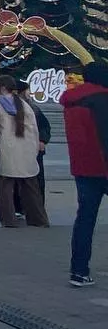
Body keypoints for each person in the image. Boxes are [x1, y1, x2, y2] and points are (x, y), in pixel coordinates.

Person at [0, 75, 49, 228]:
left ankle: (8, 220)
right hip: (27, 151)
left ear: (1, 87)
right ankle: (38, 219)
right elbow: (34, 130)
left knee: (5, 188)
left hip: (5, 151)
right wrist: (34, 150)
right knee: (31, 188)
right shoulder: (25, 105)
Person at [61, 61, 108, 287]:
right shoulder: (102, 99)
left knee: (85, 219)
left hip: (83, 168)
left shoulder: (71, 102)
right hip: (103, 165)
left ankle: (78, 271)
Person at [12, 78, 52, 216]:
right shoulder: (8, 108)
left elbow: (45, 126)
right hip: (16, 148)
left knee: (37, 180)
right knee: (17, 180)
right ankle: (18, 207)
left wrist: (42, 140)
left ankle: (37, 208)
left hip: (34, 149)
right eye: (27, 90)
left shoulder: (34, 108)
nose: (29, 93)